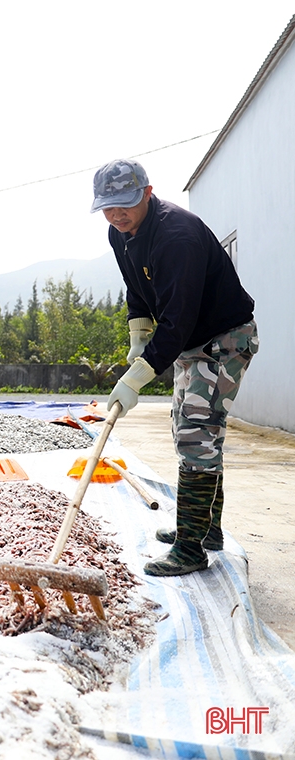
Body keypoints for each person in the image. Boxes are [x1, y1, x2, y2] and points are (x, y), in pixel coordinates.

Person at [92, 158, 258, 577]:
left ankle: (190, 549)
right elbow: (136, 288)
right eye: (109, 207)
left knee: (196, 434)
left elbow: (178, 321)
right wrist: (137, 334)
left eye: (125, 204)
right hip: (189, 341)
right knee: (189, 430)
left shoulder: (176, 236)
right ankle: (207, 530)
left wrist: (135, 380)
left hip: (222, 339)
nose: (117, 214)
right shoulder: (121, 233)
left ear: (148, 192)